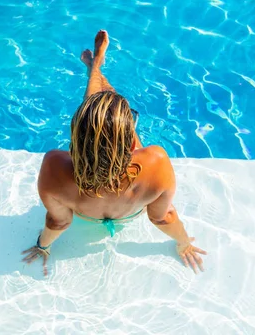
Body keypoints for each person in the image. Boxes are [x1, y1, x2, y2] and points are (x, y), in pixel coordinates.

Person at [22, 30, 206, 276]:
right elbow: (163, 217)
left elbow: (59, 221)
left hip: (87, 213)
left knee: (97, 116)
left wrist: (42, 246)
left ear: (74, 137)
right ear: (130, 144)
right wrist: (184, 243)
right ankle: (96, 68)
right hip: (128, 208)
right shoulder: (155, 163)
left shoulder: (55, 165)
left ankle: (95, 67)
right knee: (111, 111)